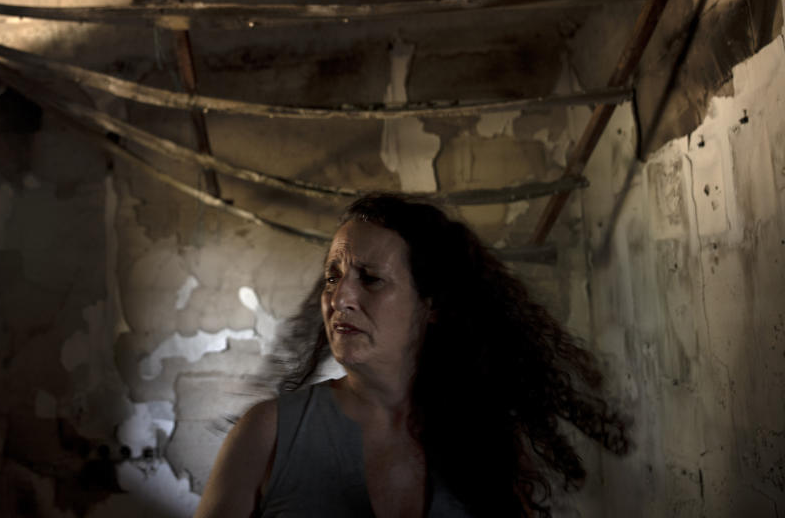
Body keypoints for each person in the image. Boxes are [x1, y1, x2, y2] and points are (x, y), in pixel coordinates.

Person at [194, 193, 630, 517]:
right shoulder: (266, 433)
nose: (339, 296)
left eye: (370, 279)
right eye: (333, 276)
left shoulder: (483, 437)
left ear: (432, 304)